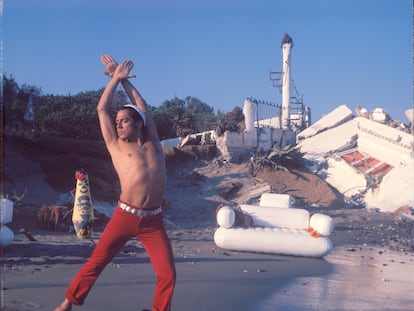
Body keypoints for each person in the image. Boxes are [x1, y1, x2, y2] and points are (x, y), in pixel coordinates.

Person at [54, 55, 176, 311]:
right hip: (125, 215)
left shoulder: (153, 142)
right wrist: (115, 81)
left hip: (153, 221)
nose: (119, 124)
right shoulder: (116, 146)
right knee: (97, 261)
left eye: (124, 120)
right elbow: (101, 110)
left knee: (167, 275)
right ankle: (67, 303)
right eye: (117, 121)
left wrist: (125, 83)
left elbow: (141, 105)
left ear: (139, 123)